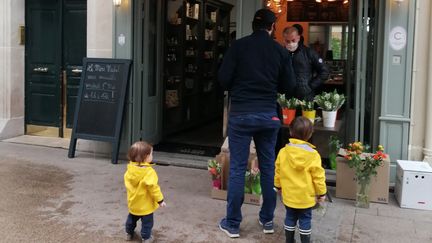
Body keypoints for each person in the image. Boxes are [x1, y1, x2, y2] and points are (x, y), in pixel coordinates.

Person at [217, 8, 296, 238]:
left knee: (237, 170)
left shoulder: (238, 47)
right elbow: (289, 87)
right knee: (268, 169)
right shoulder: (279, 52)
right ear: (272, 28)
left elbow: (223, 79)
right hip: (268, 116)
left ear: (253, 25)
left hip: (241, 114)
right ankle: (267, 220)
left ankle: (232, 223)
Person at [274, 117, 327, 243]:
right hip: (306, 197)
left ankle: (289, 240)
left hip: (289, 195)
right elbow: (318, 176)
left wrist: (278, 186)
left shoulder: (283, 152)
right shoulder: (313, 155)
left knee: (290, 217)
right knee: (305, 219)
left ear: (291, 132)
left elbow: (278, 171)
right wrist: (322, 193)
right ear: (310, 134)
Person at [124, 141, 166, 242]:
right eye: (151, 154)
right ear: (145, 157)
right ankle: (146, 237)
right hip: (145, 205)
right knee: (147, 223)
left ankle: (128, 233)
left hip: (133, 202)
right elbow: (153, 188)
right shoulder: (149, 172)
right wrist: (160, 200)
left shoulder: (130, 169)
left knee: (131, 219)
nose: (152, 156)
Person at [283, 26, 329, 101]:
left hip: (306, 97)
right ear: (284, 40)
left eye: (293, 40)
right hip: (285, 98)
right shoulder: (280, 54)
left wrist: (310, 86)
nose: (290, 43)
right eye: (287, 41)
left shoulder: (309, 53)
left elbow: (324, 71)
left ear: (298, 38)